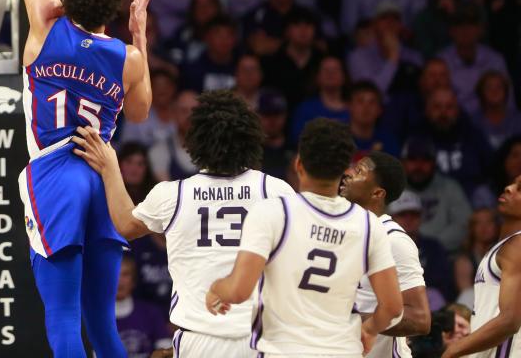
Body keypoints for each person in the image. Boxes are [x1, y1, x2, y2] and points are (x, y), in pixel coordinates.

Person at [13, 0, 154, 358]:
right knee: (103, 321)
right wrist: (139, 35)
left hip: (58, 171)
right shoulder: (130, 59)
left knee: (64, 319)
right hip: (105, 175)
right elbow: (140, 115)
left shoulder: (45, 27)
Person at [72, 90, 295, 357]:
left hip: (199, 338)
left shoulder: (174, 194)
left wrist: (110, 169)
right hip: (261, 337)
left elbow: (124, 225)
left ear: (196, 140)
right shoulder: (276, 190)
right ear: (250, 139)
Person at [205, 118, 403, 357]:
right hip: (342, 351)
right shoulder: (369, 225)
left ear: (298, 164)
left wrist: (217, 289)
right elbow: (392, 307)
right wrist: (369, 331)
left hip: (284, 350)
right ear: (343, 171)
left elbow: (238, 291)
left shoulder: (272, 212)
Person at [341, 152, 431, 358]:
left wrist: (349, 317)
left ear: (377, 193)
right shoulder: (342, 231)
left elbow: (420, 319)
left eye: (358, 171)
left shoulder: (394, 239)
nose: (347, 175)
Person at [440, 174, 521, 358]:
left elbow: (510, 320)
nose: (509, 187)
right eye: (513, 183)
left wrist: (453, 350)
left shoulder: (517, 246)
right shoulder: (506, 246)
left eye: (520, 188)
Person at [114, 256, 171, 358]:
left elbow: (166, 349)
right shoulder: (95, 316)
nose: (120, 280)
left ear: (134, 281)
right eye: (114, 273)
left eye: (125, 274)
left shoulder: (151, 313)